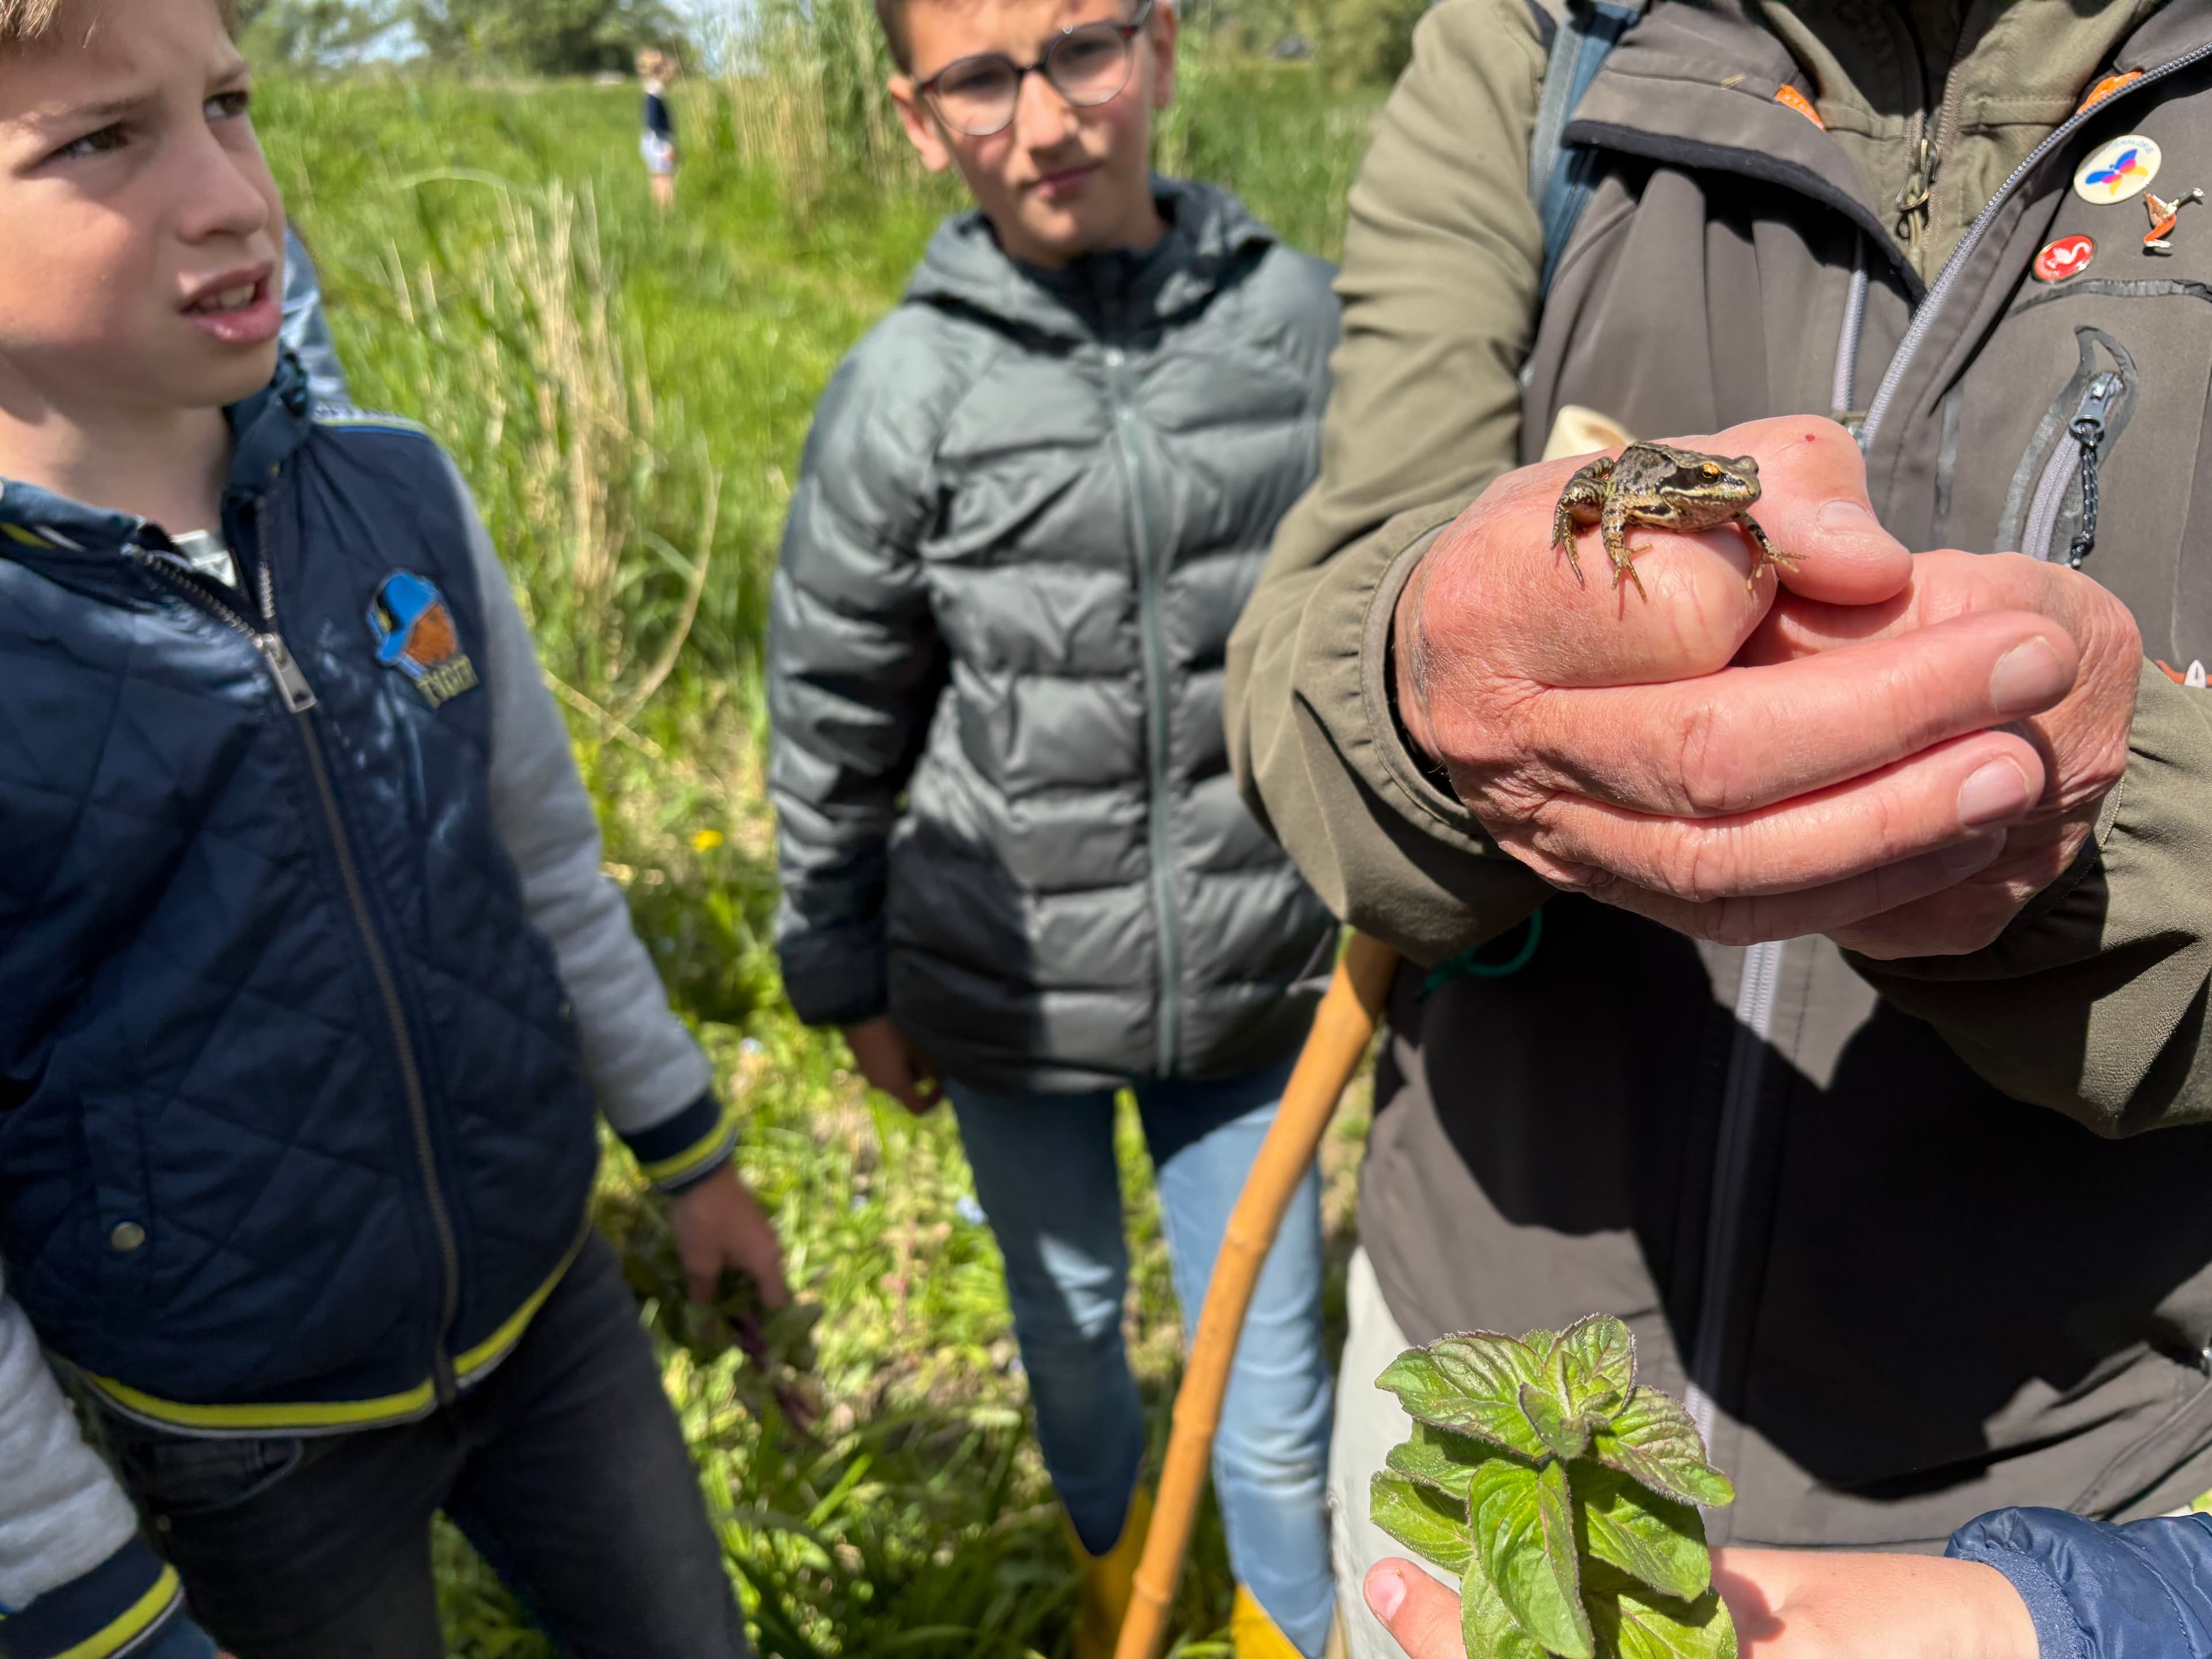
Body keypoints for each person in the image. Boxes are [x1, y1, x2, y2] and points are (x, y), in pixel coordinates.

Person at [1221, 0, 2212, 1654]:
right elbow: (1301, 677)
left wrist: (2090, 840)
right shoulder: (1546, 44)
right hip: (1498, 1382)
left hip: (2061, 1472)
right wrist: (1426, 675)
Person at [0, 3, 787, 1656]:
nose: (232, 195)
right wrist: (75, 1578)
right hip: (244, 1435)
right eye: (103, 141)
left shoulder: (403, 495)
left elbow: (550, 874)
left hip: (552, 1310)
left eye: (229, 104)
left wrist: (688, 1151)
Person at [764, 0, 1343, 1651]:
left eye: (1082, 48)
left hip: (1250, 981)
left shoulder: (1303, 327)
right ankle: (1119, 1601)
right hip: (1004, 985)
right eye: (979, 78)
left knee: (1273, 1371)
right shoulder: (903, 389)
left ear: (1159, 48)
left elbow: (1377, 631)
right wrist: (841, 964)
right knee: (1073, 1323)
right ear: (917, 115)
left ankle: (1279, 1630)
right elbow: (834, 699)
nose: (1042, 117)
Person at [638, 49, 678, 213]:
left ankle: (660, 211)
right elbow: (654, 123)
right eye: (670, 73)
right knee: (665, 178)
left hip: (651, 141)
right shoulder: (655, 94)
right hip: (658, 142)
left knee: (657, 176)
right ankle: (667, 212)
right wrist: (667, 147)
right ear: (662, 73)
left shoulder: (651, 92)